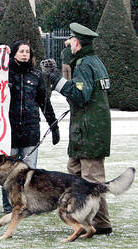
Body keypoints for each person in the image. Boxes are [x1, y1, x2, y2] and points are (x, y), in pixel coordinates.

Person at [41, 22, 112, 235]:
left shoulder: (84, 64)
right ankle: (84, 220)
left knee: (91, 182)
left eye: (71, 39)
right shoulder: (93, 61)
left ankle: (102, 224)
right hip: (88, 128)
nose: (68, 42)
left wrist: (56, 79)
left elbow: (81, 94)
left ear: (78, 42)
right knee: (76, 177)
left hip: (88, 130)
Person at [1, 40, 59, 213]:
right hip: (9, 131)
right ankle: (9, 205)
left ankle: (27, 204)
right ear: (14, 53)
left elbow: (45, 103)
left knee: (29, 173)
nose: (25, 54)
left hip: (30, 130)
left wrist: (54, 126)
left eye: (27, 51)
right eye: (21, 51)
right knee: (7, 173)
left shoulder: (36, 75)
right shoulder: (4, 74)